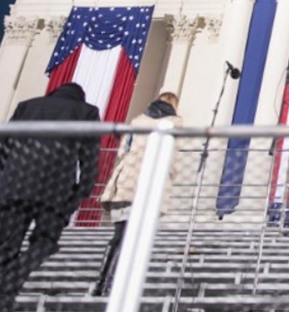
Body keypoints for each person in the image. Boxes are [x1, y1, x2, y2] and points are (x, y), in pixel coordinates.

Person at [0, 83, 101, 311]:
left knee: (6, 246)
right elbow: (90, 159)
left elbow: (4, 146)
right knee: (45, 242)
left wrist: (5, 179)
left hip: (15, 185)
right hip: (56, 190)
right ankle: (10, 284)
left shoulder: (26, 106)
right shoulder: (87, 112)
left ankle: (5, 291)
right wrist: (80, 194)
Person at [92, 92, 182, 297]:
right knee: (137, 238)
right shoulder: (174, 124)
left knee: (119, 236)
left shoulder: (137, 121)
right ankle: (117, 285)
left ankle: (102, 283)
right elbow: (172, 159)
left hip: (127, 181)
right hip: (150, 185)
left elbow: (122, 151)